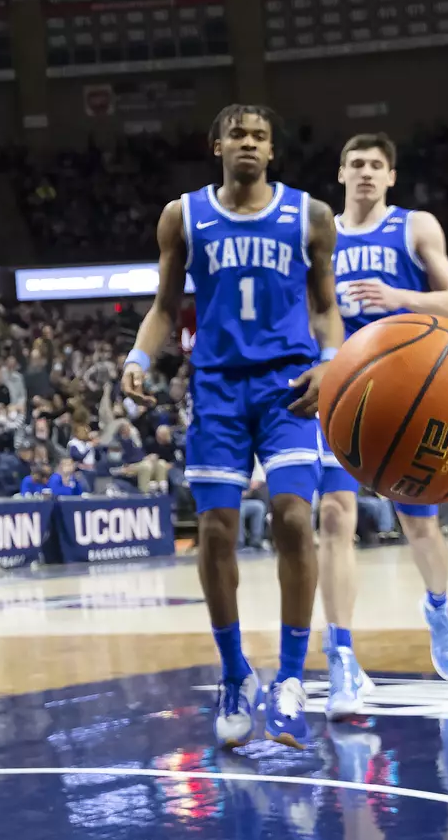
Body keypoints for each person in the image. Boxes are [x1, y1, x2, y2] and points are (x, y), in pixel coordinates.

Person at [122, 104, 343, 750]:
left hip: (289, 385)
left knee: (295, 518)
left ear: (272, 150)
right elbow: (165, 307)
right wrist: (139, 356)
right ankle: (234, 673)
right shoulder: (183, 215)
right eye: (237, 134)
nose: (248, 143)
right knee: (216, 532)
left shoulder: (311, 215)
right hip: (217, 384)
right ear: (216, 144)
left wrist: (332, 364)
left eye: (260, 135)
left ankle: (294, 681)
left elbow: (328, 309)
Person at [315, 133, 448, 719]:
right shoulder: (320, 232)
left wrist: (396, 295)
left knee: (420, 526)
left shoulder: (414, 226)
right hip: (342, 390)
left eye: (376, 165)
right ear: (340, 172)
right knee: (334, 517)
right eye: (355, 164)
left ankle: (437, 606)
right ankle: (343, 656)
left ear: (391, 177)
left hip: (408, 393)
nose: (365, 173)